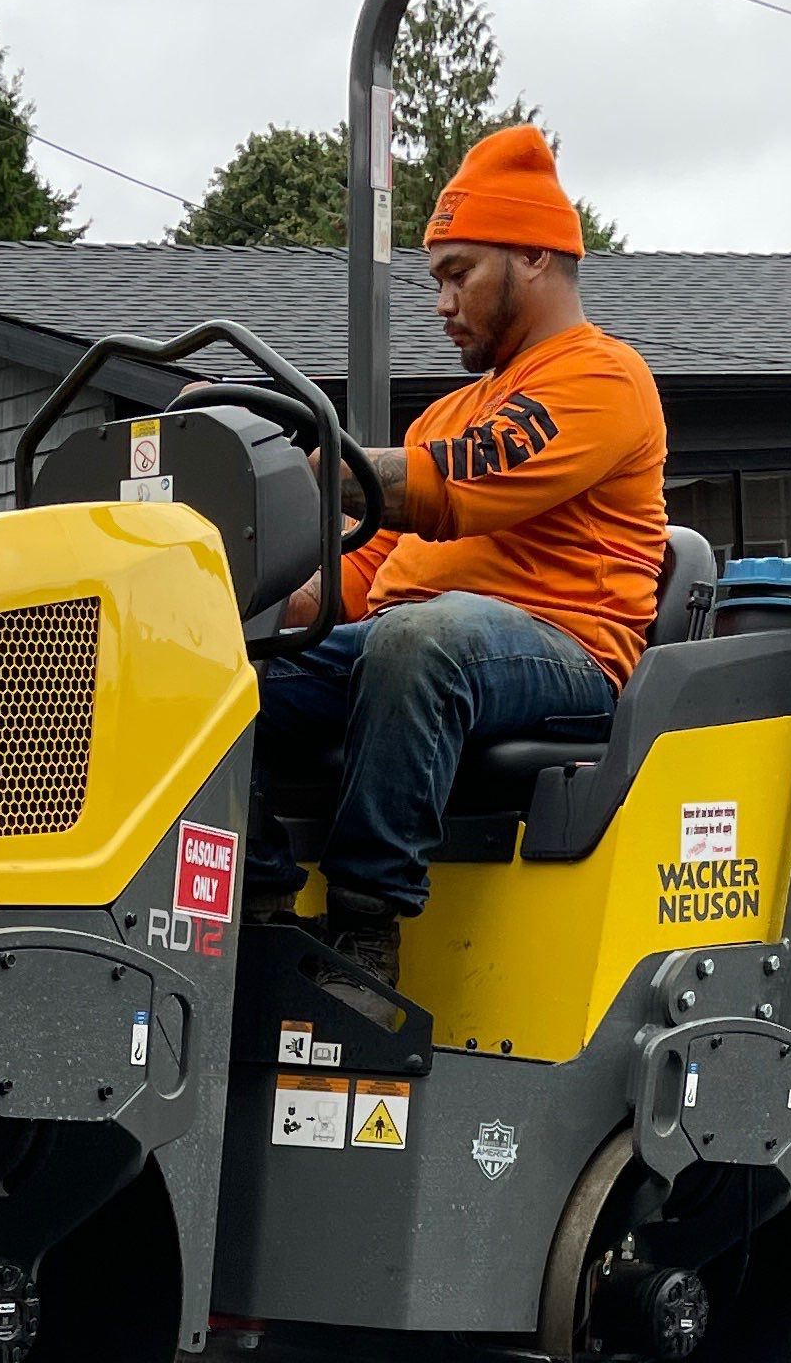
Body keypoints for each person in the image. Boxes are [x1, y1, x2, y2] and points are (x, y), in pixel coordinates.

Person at [252, 122, 667, 988]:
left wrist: (320, 475)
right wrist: (251, 595)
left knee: (422, 639)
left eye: (457, 273)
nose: (440, 301)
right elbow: (364, 582)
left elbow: (463, 487)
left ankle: (363, 933)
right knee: (210, 675)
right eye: (435, 278)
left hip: (563, 650)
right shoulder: (442, 416)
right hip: (411, 643)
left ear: (533, 259)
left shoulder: (603, 380)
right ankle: (257, 912)